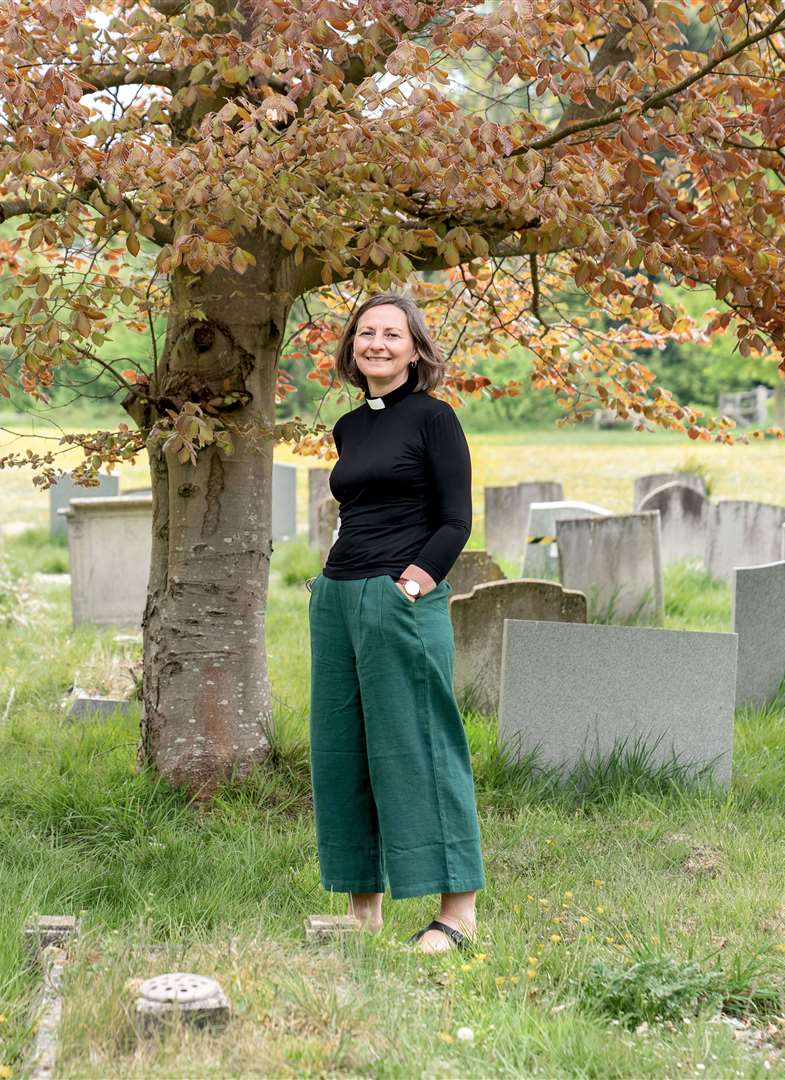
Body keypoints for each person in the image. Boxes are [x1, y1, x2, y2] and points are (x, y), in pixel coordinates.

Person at [307, 292, 484, 954]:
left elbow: (453, 521)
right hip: (337, 599)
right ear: (351, 346)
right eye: (364, 333)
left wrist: (410, 584)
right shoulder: (351, 427)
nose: (375, 343)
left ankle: (457, 916)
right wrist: (330, 585)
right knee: (342, 750)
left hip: (396, 599)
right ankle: (363, 912)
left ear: (415, 349)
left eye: (391, 334)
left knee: (420, 747)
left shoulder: (433, 420)